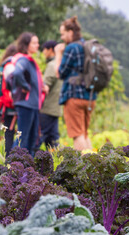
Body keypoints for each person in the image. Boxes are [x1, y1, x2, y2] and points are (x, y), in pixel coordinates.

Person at [54, 16, 96, 151]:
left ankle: (84, 169)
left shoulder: (72, 48)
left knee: (77, 135)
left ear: (70, 32)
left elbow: (60, 73)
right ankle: (95, 168)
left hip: (74, 96)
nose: (62, 37)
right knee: (84, 133)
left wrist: (58, 54)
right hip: (90, 97)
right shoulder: (89, 46)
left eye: (63, 34)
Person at [10, 32, 45, 156]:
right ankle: (12, 164)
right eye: (34, 43)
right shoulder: (23, 59)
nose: (37, 45)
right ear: (26, 44)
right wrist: (26, 86)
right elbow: (17, 73)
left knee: (32, 137)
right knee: (23, 137)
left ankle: (26, 167)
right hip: (26, 104)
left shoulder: (30, 61)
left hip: (33, 105)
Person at [37, 40, 61, 149]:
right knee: (52, 140)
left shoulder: (52, 65)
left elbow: (45, 87)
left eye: (44, 50)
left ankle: (26, 161)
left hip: (47, 108)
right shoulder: (60, 64)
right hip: (56, 108)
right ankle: (55, 162)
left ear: (50, 50)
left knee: (39, 137)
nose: (43, 52)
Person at [0, 44, 18, 156]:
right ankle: (19, 157)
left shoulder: (2, 67)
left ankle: (8, 158)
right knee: (22, 132)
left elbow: (0, 90)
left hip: (7, 105)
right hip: (20, 104)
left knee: (8, 133)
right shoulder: (18, 65)